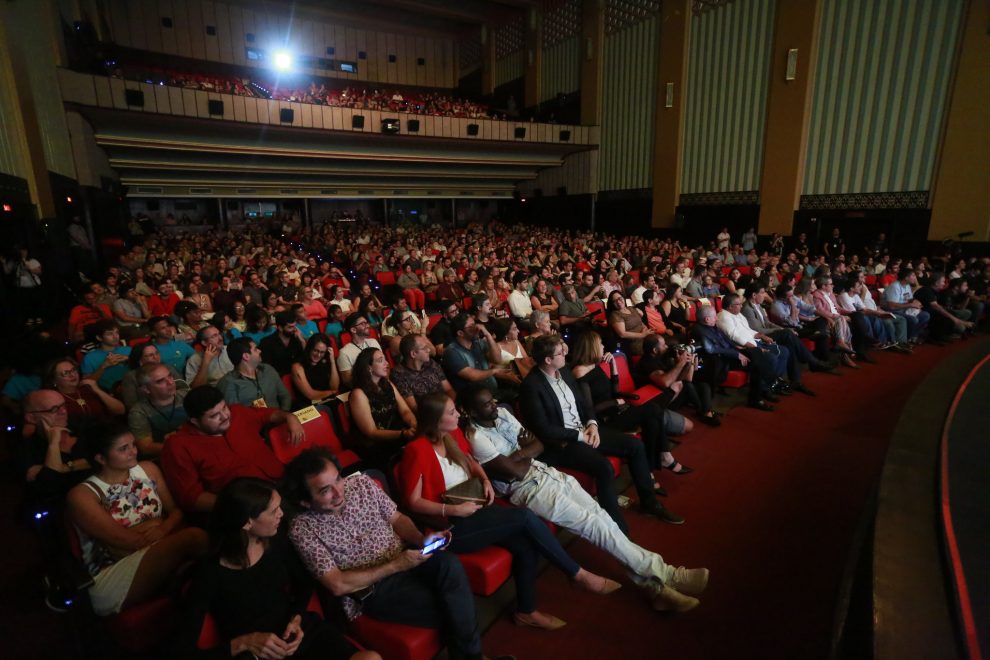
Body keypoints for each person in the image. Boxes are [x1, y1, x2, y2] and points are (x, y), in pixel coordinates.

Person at [460, 385, 708, 613]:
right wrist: (526, 452)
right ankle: (667, 573)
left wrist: (520, 454)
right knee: (595, 525)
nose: (494, 405)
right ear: (470, 411)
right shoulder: (476, 437)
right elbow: (515, 471)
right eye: (486, 404)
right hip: (527, 489)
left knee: (603, 518)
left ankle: (656, 590)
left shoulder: (502, 415)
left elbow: (539, 445)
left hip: (546, 472)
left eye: (492, 400)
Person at [398, 393, 622, 630]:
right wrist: (453, 509)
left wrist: (484, 480)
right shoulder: (416, 450)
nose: (458, 415)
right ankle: (577, 574)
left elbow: (471, 462)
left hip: (473, 508)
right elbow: (412, 502)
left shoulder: (451, 435)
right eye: (452, 412)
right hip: (449, 527)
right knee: (525, 517)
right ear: (435, 419)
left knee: (525, 544)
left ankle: (526, 612)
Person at [284, 448, 488, 660]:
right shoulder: (302, 529)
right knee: (452, 605)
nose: (339, 492)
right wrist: (397, 565)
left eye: (338, 479)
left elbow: (398, 519)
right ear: (305, 502)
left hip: (405, 556)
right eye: (326, 490)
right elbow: (337, 584)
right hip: (373, 588)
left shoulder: (362, 484)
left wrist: (420, 539)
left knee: (449, 564)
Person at [178, 478, 375, 659]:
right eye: (274, 511)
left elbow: (304, 584)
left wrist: (296, 618)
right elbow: (181, 651)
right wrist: (242, 643)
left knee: (371, 658)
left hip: (298, 633)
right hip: (261, 654)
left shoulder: (275, 542)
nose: (281, 514)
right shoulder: (209, 573)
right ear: (247, 522)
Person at [519, 335, 679, 532]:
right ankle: (615, 527)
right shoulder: (531, 386)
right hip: (563, 443)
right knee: (603, 467)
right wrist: (580, 436)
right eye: (560, 353)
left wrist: (593, 424)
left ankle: (649, 502)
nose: (565, 354)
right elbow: (543, 428)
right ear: (548, 360)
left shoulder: (565, 372)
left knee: (635, 446)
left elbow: (584, 404)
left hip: (585, 430)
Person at [66, 421, 207, 616]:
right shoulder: (83, 494)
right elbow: (125, 542)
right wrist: (160, 524)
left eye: (133, 444)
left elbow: (176, 511)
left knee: (198, 569)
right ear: (101, 458)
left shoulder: (147, 469)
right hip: (113, 572)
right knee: (195, 537)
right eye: (124, 449)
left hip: (158, 546)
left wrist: (160, 527)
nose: (134, 451)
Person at [569, 331, 690, 486]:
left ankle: (652, 469)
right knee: (653, 411)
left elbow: (614, 390)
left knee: (653, 417)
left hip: (617, 410)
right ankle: (661, 460)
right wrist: (614, 403)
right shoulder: (580, 371)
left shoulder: (595, 365)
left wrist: (612, 366)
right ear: (591, 346)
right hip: (605, 419)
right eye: (600, 343)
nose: (603, 346)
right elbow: (588, 407)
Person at [161, 385, 302, 513]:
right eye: (214, 415)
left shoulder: (237, 412)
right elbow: (192, 497)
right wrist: (239, 506)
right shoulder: (178, 445)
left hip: (283, 480)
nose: (224, 416)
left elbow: (267, 415)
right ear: (195, 421)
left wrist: (290, 417)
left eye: (224, 408)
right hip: (252, 506)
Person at [692, 306, 777, 411]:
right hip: (722, 360)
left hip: (731, 353)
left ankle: (767, 384)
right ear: (707, 319)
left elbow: (726, 341)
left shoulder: (712, 326)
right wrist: (736, 354)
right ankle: (759, 396)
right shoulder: (698, 330)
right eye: (714, 316)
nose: (717, 319)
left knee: (756, 352)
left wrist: (738, 349)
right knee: (756, 364)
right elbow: (711, 349)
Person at [348, 348, 417, 470]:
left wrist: (414, 425)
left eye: (385, 359)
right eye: (380, 360)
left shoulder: (387, 383)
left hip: (397, 432)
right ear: (369, 368)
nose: (387, 363)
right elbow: (372, 432)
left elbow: (405, 411)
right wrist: (403, 434)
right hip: (376, 444)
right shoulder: (358, 393)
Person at [636, 334, 720, 427]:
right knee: (687, 385)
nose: (667, 347)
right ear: (655, 350)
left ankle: (706, 411)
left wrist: (688, 362)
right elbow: (665, 382)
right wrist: (680, 363)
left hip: (673, 392)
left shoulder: (663, 357)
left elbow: (685, 378)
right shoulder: (647, 362)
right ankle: (704, 412)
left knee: (704, 386)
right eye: (663, 345)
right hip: (659, 399)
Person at [442, 313, 519, 399]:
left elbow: (497, 359)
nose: (477, 328)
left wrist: (488, 335)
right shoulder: (452, 352)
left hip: (492, 392)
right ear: (460, 333)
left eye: (475, 324)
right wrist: (494, 371)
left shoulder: (478, 342)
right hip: (474, 399)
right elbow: (473, 376)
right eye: (471, 326)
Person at [128, 364, 189, 457]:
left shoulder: (188, 396)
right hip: (166, 456)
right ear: (146, 389)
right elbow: (146, 448)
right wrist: (181, 446)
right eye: (160, 381)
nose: (170, 382)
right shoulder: (139, 412)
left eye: (170, 376)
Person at [218, 337, 292, 410]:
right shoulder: (228, 383)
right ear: (246, 356)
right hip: (251, 421)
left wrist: (284, 415)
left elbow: (285, 396)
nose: (260, 351)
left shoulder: (267, 369)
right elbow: (236, 414)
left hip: (280, 417)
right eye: (256, 349)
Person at [44, 358, 124, 425]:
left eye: (73, 370)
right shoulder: (54, 400)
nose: (72, 375)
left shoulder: (88, 388)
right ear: (54, 380)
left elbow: (120, 410)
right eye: (66, 373)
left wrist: (97, 390)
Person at [390, 333, 455, 412]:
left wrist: (453, 407)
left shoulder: (431, 363)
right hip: (428, 416)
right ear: (413, 354)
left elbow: (448, 389)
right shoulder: (399, 374)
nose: (429, 350)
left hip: (447, 408)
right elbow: (414, 407)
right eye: (425, 348)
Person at [290, 333, 340, 409]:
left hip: (325, 399)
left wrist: (332, 361)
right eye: (316, 350)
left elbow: (334, 386)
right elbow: (310, 394)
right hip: (307, 405)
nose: (318, 355)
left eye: (322, 352)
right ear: (309, 348)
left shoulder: (325, 361)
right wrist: (332, 392)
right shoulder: (297, 366)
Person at [336, 313, 383, 387]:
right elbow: (347, 381)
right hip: (363, 389)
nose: (368, 325)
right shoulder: (344, 353)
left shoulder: (373, 342)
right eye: (363, 324)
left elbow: (386, 366)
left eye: (366, 323)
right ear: (353, 330)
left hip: (381, 384)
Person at [259, 310, 306, 377]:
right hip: (277, 379)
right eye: (290, 327)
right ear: (280, 328)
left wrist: (302, 341)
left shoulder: (297, 339)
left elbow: (304, 360)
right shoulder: (266, 343)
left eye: (294, 326)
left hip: (297, 376)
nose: (294, 329)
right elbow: (266, 369)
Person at [606, 291, 653, 356]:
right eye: (614, 301)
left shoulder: (631, 308)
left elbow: (640, 322)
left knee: (659, 341)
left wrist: (645, 329)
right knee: (655, 347)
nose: (618, 302)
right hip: (633, 343)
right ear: (612, 304)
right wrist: (642, 335)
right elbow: (622, 334)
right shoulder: (615, 315)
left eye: (620, 298)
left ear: (623, 298)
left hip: (644, 336)